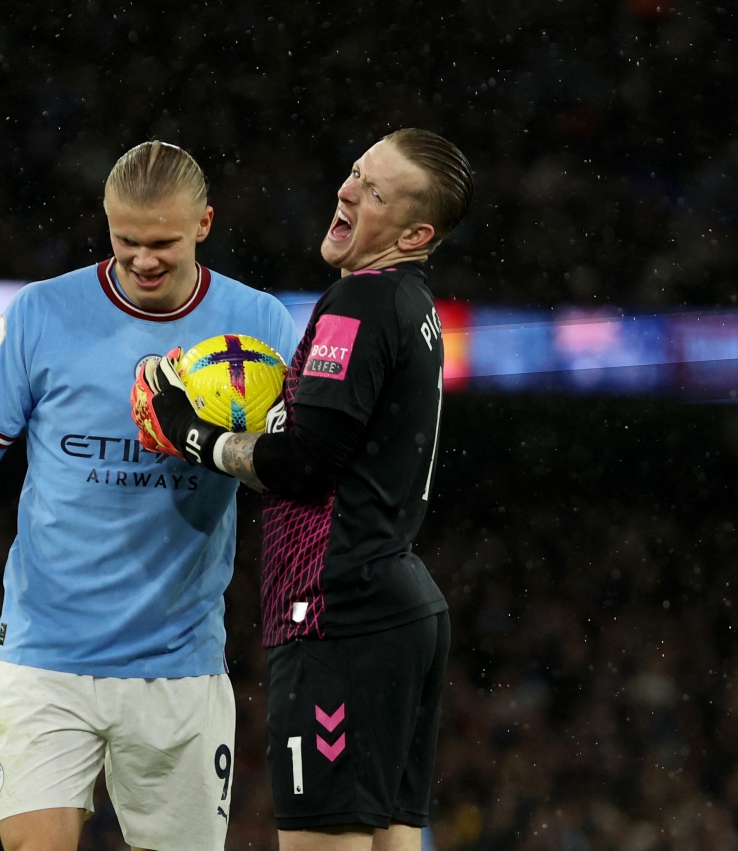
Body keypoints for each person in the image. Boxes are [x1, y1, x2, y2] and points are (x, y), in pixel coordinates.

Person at [0, 140, 298, 851]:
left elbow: (296, 471)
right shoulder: (42, 313)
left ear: (205, 224)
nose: (144, 260)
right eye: (126, 242)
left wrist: (205, 442)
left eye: (164, 243)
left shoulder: (262, 327)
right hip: (44, 654)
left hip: (179, 661)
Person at [133, 128, 473, 851]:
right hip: (397, 607)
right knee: (393, 839)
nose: (347, 189)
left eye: (374, 192)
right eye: (356, 172)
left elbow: (306, 461)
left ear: (415, 232)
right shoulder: (412, 304)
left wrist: (190, 431)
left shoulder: (357, 302)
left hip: (336, 613)